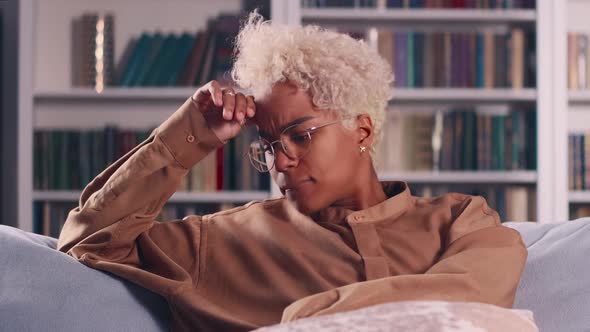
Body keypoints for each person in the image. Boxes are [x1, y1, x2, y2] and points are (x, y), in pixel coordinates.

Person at [57, 11, 527, 332]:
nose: (281, 162)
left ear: (361, 129)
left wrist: (306, 319)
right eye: (268, 146)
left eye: (301, 135)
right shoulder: (220, 244)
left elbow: (470, 294)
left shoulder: (461, 219)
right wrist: (193, 133)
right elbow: (86, 243)